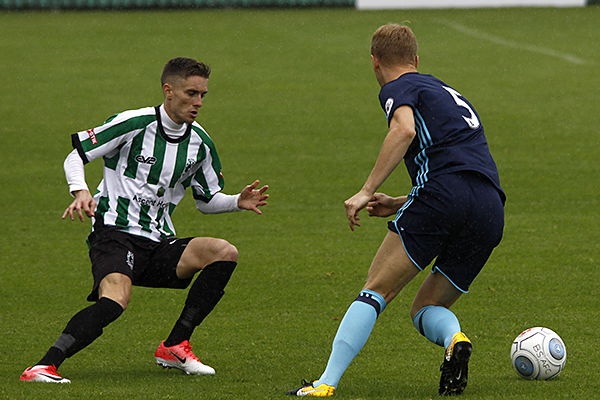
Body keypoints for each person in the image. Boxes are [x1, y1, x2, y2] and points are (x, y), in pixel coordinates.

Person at [287, 24, 505, 397]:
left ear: (375, 62)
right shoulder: (447, 91)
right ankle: (455, 339)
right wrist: (403, 201)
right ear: (416, 59)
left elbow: (403, 131)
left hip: (442, 197)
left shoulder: (398, 87)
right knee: (426, 307)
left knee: (376, 291)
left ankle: (326, 383)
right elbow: (462, 174)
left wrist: (366, 191)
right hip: (489, 208)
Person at [20, 57, 269, 384]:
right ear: (169, 90)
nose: (198, 102)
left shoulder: (200, 143)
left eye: (203, 95)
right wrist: (80, 191)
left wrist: (237, 201)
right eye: (191, 93)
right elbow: (77, 155)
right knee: (115, 301)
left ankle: (175, 345)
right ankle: (43, 366)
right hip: (115, 233)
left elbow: (206, 201)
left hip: (159, 243)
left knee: (223, 251)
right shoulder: (133, 123)